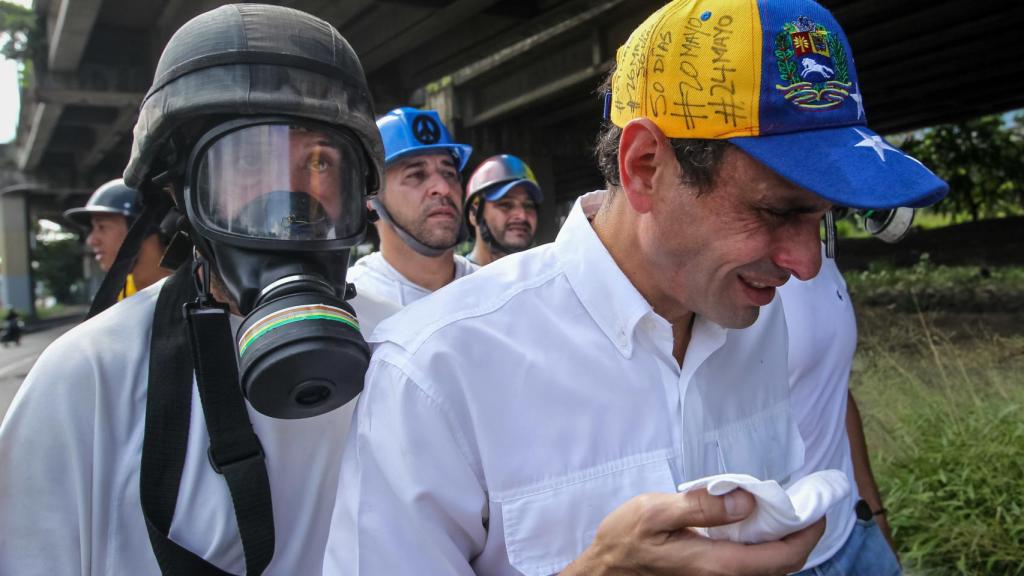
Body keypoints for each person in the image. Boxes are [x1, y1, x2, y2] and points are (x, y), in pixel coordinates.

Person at [324, 0, 948, 574]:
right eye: (777, 211)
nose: (806, 266)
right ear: (645, 166)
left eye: (824, 217)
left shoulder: (752, 316)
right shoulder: (434, 371)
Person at [0, 5, 390, 574]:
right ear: (183, 194)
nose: (289, 207)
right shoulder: (86, 381)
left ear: (360, 194)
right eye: (249, 161)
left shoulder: (405, 350)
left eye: (319, 162)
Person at [782, 246, 900, 575]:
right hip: (781, 560)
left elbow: (831, 387)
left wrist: (874, 511)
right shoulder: (715, 273)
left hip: (854, 533)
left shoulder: (818, 251)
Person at [347, 107, 477, 307]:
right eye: (416, 175)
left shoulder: (494, 290)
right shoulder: (351, 306)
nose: (443, 188)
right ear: (370, 197)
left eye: (449, 173)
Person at [64, 178, 171, 298]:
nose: (91, 241)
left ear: (140, 230)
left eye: (102, 227)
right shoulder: (120, 294)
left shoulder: (188, 293)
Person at [464, 154, 543, 266]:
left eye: (528, 206)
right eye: (505, 205)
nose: (522, 216)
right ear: (473, 213)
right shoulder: (454, 280)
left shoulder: (544, 276)